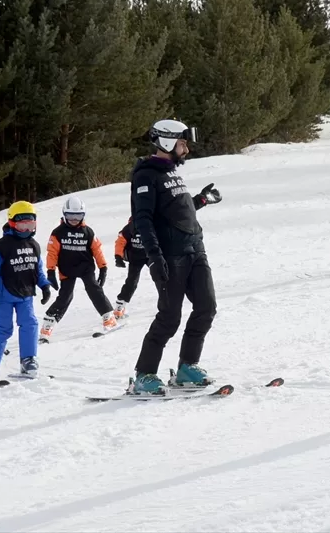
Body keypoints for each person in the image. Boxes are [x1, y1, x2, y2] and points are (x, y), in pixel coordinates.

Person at [129, 119, 223, 395]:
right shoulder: (146, 175)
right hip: (170, 257)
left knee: (206, 307)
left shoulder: (170, 172)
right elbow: (143, 220)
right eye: (183, 144)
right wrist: (154, 258)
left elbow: (176, 213)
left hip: (194, 250)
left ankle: (187, 367)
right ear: (168, 143)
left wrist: (201, 201)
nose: (186, 150)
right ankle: (144, 374)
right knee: (169, 317)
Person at [0, 201, 53, 380]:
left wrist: (44, 285)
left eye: (31, 224)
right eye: (22, 225)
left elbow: (37, 268)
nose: (27, 229)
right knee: (3, 328)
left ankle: (28, 360)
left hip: (25, 293)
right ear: (12, 223)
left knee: (29, 324)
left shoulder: (33, 245)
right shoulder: (1, 246)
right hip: (4, 294)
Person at [39, 197, 116, 341]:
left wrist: (103, 267)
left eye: (78, 216)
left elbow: (97, 250)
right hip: (66, 269)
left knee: (94, 288)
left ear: (83, 215)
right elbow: (52, 252)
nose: (74, 219)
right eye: (70, 216)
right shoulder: (58, 233)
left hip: (85, 267)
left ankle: (108, 316)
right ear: (64, 214)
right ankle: (48, 323)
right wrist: (50, 271)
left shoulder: (88, 232)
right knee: (65, 296)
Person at [113, 217, 145, 318]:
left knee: (161, 278)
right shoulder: (129, 228)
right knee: (132, 282)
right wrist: (118, 257)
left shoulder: (154, 224)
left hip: (152, 256)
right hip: (135, 258)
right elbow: (120, 241)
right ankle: (120, 305)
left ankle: (167, 302)